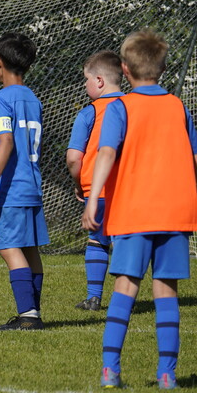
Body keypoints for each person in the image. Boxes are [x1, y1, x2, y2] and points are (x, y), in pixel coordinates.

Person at [82, 30, 197, 390]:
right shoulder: (178, 106)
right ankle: (167, 374)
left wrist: (93, 199)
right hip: (175, 212)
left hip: (134, 210)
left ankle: (110, 371)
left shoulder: (120, 107)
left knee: (125, 287)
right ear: (163, 68)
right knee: (166, 290)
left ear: (124, 68)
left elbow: (106, 153)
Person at [0, 33, 48, 330]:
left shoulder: (1, 99)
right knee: (30, 249)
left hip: (12, 189)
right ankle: (33, 311)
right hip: (32, 186)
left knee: (8, 247)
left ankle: (28, 315)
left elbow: (6, 141)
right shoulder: (33, 99)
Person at [65, 50, 124, 311]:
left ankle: (94, 298)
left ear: (99, 80)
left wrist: (78, 183)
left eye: (86, 79)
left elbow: (73, 157)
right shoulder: (134, 107)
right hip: (129, 189)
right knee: (125, 243)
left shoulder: (90, 112)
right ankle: (124, 298)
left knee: (98, 240)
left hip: (97, 191)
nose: (84, 85)